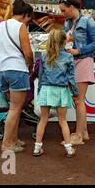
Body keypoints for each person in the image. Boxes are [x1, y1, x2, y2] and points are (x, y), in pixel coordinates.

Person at [0, 0, 34, 153]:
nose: (28, 23)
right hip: (17, 70)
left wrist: (1, 56)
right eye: (28, 20)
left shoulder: (1, 25)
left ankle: (13, 140)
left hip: (1, 69)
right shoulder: (21, 27)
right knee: (15, 108)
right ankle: (6, 144)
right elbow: (28, 53)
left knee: (14, 108)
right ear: (25, 15)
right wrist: (30, 65)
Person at [59, 0, 95, 144]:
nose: (62, 13)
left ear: (71, 7)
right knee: (78, 100)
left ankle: (78, 135)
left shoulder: (87, 20)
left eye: (64, 10)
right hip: (73, 62)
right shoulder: (67, 22)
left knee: (78, 100)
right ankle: (83, 132)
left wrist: (79, 51)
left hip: (83, 61)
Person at [33, 29, 79, 158]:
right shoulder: (69, 57)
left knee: (43, 120)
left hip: (46, 89)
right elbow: (71, 78)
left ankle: (37, 147)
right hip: (61, 90)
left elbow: (40, 76)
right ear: (65, 41)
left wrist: (39, 91)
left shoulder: (44, 56)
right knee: (62, 120)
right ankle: (69, 149)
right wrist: (75, 93)